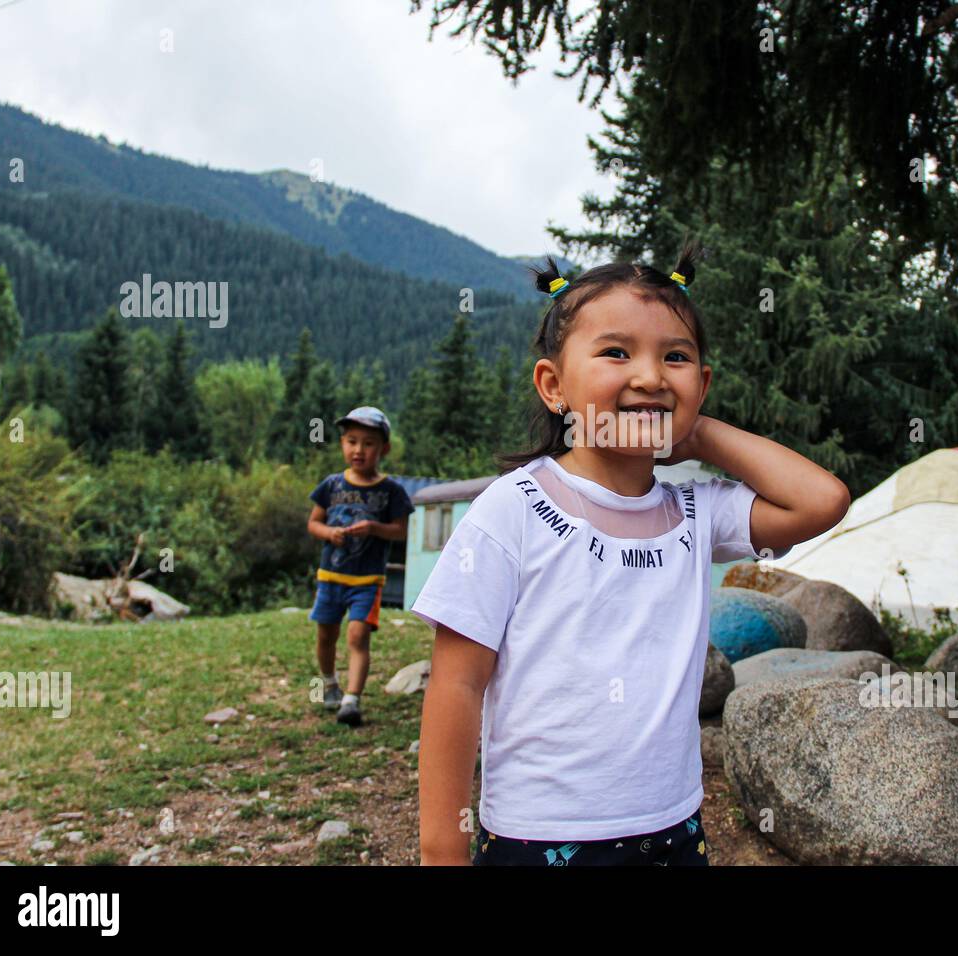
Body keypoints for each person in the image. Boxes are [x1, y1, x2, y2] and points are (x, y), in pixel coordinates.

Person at [413, 239, 851, 865]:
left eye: (675, 358)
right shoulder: (512, 510)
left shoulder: (695, 512)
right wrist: (442, 851)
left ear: (701, 384)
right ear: (554, 385)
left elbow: (823, 499)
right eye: (616, 352)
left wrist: (696, 431)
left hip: (670, 830)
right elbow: (456, 685)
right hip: (535, 837)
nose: (649, 377)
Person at [307, 406, 414, 727]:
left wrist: (373, 528)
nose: (359, 450)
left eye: (368, 443)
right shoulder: (331, 485)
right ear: (342, 444)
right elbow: (314, 523)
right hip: (331, 577)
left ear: (384, 448)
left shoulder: (391, 491)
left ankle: (352, 700)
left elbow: (401, 530)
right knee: (326, 635)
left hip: (368, 580)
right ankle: (328, 682)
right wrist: (330, 533)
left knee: (357, 636)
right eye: (351, 441)